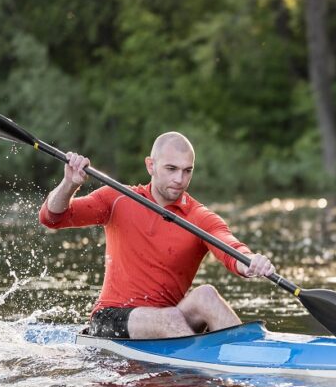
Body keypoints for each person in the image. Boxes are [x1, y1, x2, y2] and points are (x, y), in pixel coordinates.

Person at [39, 131, 275, 339]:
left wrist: (249, 262)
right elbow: (52, 218)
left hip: (169, 320)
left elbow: (229, 247)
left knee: (206, 295)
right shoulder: (117, 198)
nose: (179, 180)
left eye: (187, 171)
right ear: (150, 165)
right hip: (110, 318)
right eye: (171, 169)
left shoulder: (199, 216)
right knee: (169, 318)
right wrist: (69, 184)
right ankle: (200, 366)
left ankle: (251, 358)